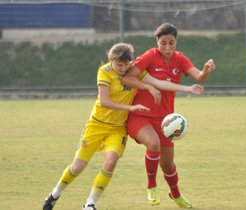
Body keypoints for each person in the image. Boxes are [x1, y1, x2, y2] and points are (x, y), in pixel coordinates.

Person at [43, 43, 204, 210]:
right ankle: (55, 194)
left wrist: (183, 88)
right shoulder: (104, 72)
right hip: (97, 126)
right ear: (111, 60)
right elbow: (104, 102)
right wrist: (131, 108)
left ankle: (90, 204)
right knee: (77, 167)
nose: (123, 68)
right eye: (119, 64)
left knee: (110, 163)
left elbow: (157, 82)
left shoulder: (134, 70)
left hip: (118, 128)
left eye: (127, 64)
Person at [121, 23, 215, 209]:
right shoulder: (149, 56)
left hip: (165, 120)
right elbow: (127, 78)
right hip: (140, 114)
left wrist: (205, 70)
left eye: (171, 43)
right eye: (163, 43)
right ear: (157, 41)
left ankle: (176, 194)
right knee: (153, 144)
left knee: (168, 164)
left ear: (176, 42)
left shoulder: (179, 59)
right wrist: (148, 86)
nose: (167, 47)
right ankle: (151, 187)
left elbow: (199, 77)